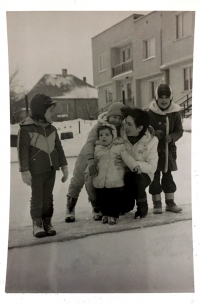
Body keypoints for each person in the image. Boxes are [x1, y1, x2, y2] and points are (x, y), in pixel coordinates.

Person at [65, 102, 126, 223]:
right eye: (115, 117)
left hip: (103, 159)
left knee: (95, 183)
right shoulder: (99, 126)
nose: (117, 120)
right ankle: (70, 207)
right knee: (78, 179)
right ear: (109, 115)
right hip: (88, 156)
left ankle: (96, 206)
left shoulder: (121, 130)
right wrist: (90, 160)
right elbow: (90, 143)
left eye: (120, 118)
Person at [17, 94, 69, 238]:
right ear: (40, 111)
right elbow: (22, 151)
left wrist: (64, 166)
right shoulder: (26, 129)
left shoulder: (52, 129)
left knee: (48, 198)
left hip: (51, 170)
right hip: (36, 172)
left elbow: (59, 148)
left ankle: (47, 221)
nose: (54, 114)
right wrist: (24, 171)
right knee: (37, 198)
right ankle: (37, 223)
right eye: (50, 111)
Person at [86, 124, 141, 225]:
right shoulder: (97, 148)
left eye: (107, 134)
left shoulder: (119, 147)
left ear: (113, 136)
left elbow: (127, 157)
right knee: (102, 199)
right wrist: (88, 171)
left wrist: (134, 166)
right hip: (100, 180)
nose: (104, 137)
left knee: (114, 200)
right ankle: (105, 214)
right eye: (101, 135)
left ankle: (114, 215)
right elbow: (93, 162)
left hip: (115, 180)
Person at [148, 83, 183, 214]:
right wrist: (154, 134)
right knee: (155, 176)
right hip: (153, 151)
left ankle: (170, 202)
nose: (163, 100)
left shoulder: (175, 113)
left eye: (166, 97)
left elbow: (179, 130)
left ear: (171, 98)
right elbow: (145, 131)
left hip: (169, 151)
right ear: (156, 98)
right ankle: (156, 203)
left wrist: (172, 137)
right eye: (161, 97)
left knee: (168, 176)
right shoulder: (150, 113)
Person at [120, 107, 159, 218]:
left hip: (143, 175)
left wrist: (134, 165)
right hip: (122, 173)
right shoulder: (120, 136)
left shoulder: (151, 141)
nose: (125, 127)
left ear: (140, 128)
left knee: (135, 179)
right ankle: (126, 203)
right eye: (125, 123)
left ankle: (142, 205)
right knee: (124, 207)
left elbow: (152, 167)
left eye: (130, 124)